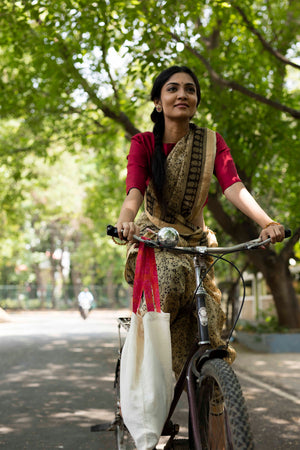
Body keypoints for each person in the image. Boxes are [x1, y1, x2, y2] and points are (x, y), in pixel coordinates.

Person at [115, 65, 285, 377]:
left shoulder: (211, 142)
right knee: (160, 301)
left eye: (190, 89)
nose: (182, 94)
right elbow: (134, 193)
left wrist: (267, 222)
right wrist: (125, 223)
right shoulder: (143, 143)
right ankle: (143, 382)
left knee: (213, 323)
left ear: (196, 101)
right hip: (157, 243)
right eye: (173, 88)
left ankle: (216, 402)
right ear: (158, 102)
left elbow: (233, 186)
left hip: (197, 247)